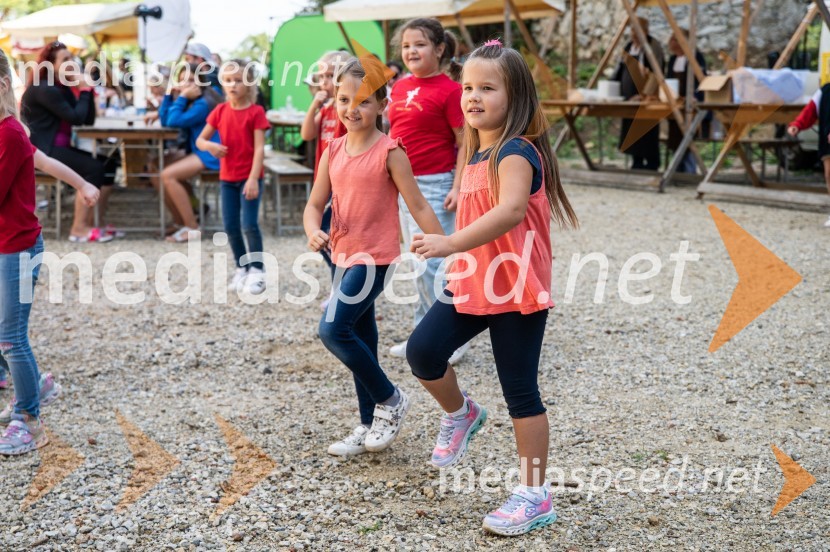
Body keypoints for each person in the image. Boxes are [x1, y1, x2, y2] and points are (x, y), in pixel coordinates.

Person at [407, 40, 578, 536]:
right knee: (422, 352)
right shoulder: (477, 150)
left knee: (520, 391)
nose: (473, 97)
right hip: (473, 281)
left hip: (515, 288)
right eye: (467, 88)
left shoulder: (516, 151)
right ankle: (462, 413)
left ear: (515, 95)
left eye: (487, 88)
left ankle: (534, 495)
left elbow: (511, 211)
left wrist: (449, 243)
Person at [303, 57, 443, 457]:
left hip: (375, 259)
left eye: (363, 101)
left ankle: (390, 398)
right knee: (361, 336)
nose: (352, 109)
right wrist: (313, 230)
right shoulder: (332, 150)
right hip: (341, 255)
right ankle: (368, 424)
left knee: (333, 330)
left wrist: (446, 246)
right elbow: (314, 205)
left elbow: (418, 204)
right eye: (344, 100)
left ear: (382, 104)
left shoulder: (390, 151)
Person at [0, 49, 100, 453]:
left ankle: (28, 419)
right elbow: (46, 162)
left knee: (10, 336)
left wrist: (85, 184)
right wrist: (82, 184)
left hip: (16, 249)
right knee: (5, 332)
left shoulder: (10, 134)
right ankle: (35, 384)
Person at [387, 18, 469, 363]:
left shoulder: (451, 91)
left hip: (436, 185)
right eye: (406, 46)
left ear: (439, 48)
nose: (411, 51)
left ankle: (451, 338)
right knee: (418, 265)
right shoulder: (399, 87)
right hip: (403, 186)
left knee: (437, 265)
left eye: (419, 44)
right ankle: (424, 335)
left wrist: (458, 185)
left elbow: (465, 142)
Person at [21, 41, 116, 242]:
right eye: (65, 60)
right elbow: (75, 118)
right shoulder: (44, 88)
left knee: (109, 164)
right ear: (50, 65)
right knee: (94, 168)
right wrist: (84, 90)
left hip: (58, 148)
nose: (71, 63)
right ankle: (78, 229)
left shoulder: (61, 87)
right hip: (43, 151)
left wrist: (87, 90)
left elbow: (87, 119)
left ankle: (96, 222)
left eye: (71, 58)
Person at [196, 59, 270, 294]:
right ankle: (242, 267)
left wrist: (253, 178)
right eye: (228, 80)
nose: (232, 85)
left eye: (238, 80)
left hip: (250, 178)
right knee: (230, 226)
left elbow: (259, 148)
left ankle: (257, 270)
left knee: (249, 225)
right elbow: (200, 140)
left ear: (248, 84)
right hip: (227, 178)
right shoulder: (219, 111)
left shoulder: (256, 112)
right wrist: (210, 146)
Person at [156, 63, 223, 242]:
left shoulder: (203, 103)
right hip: (199, 151)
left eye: (192, 80)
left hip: (213, 154)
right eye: (183, 80)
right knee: (154, 167)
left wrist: (182, 96)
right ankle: (180, 222)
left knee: (168, 175)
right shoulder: (193, 100)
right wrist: (169, 94)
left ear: (201, 82)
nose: (187, 84)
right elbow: (164, 120)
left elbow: (173, 121)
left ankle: (192, 227)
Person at [301, 51, 352, 278]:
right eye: (321, 77)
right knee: (323, 233)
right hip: (324, 181)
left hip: (342, 182)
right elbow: (307, 134)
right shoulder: (326, 107)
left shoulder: (345, 108)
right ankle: (339, 282)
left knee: (331, 233)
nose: (324, 82)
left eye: (330, 76)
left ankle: (342, 282)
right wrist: (314, 105)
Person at [612, 17, 665, 171]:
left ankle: (652, 162)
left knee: (647, 129)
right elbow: (620, 68)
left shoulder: (653, 45)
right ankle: (637, 161)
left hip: (647, 97)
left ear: (645, 31)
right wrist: (612, 87)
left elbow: (656, 72)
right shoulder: (629, 46)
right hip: (629, 96)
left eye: (637, 30)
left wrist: (645, 95)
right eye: (632, 30)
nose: (634, 34)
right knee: (631, 128)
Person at [665, 28, 707, 174]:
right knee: (675, 137)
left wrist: (695, 96)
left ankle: (689, 171)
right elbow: (669, 80)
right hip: (676, 103)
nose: (671, 42)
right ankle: (676, 170)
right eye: (672, 39)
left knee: (688, 137)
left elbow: (701, 79)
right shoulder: (672, 60)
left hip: (691, 103)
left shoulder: (696, 57)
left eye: (675, 39)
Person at [788, 83, 830, 227]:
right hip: (827, 142)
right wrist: (797, 124)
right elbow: (811, 110)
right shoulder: (825, 91)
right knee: (829, 175)